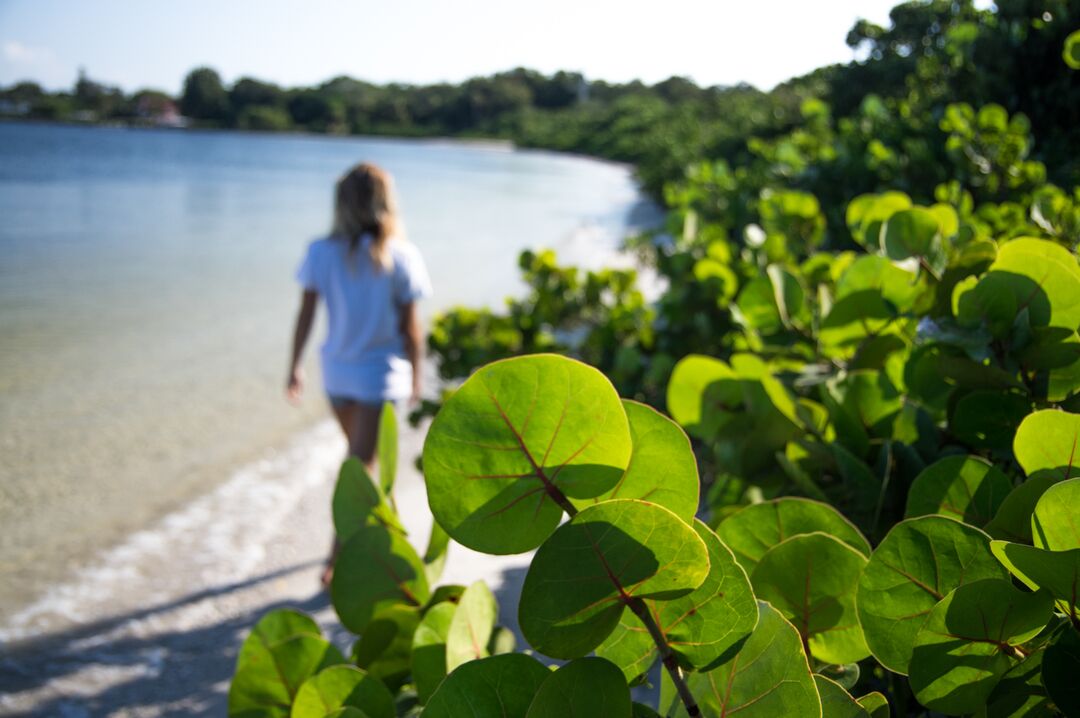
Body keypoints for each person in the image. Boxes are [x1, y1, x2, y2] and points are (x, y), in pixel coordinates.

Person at [286, 162, 432, 585]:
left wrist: (295, 364)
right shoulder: (402, 256)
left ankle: (364, 545)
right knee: (361, 465)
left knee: (361, 462)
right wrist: (417, 374)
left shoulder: (320, 253)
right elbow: (411, 330)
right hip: (379, 377)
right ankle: (341, 557)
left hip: (338, 374)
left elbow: (306, 315)